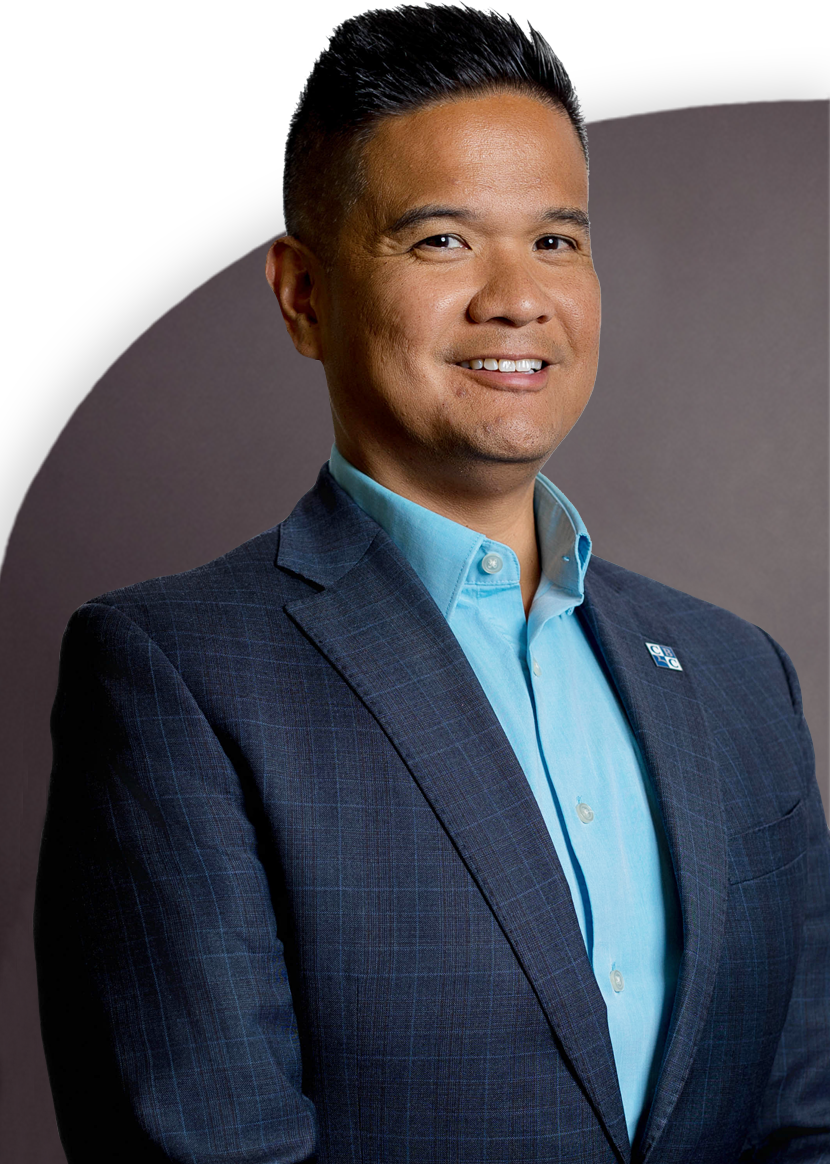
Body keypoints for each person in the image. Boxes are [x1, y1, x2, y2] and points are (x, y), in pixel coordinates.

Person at [34, 6, 829, 1163]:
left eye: (555, 240)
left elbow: (803, 1120)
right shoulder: (175, 675)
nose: (516, 297)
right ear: (303, 295)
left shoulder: (733, 670)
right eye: (441, 241)